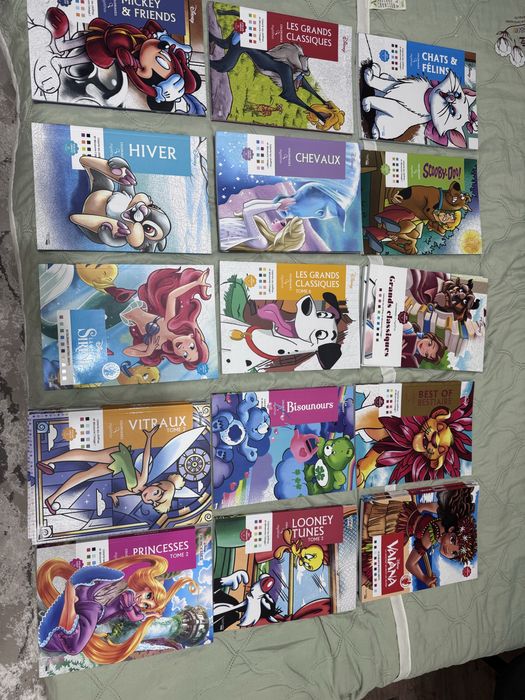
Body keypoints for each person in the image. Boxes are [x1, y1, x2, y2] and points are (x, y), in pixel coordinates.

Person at [37, 554, 196, 662]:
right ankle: (70, 600)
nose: (142, 602)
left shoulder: (131, 602)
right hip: (94, 606)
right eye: (148, 596)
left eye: (146, 605)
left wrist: (148, 615)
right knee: (74, 646)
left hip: (95, 610)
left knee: (75, 645)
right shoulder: (127, 593)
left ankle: (69, 606)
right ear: (146, 586)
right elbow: (131, 615)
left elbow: (135, 616)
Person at [362, 487, 477, 589]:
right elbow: (410, 564)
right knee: (374, 575)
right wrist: (424, 578)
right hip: (398, 526)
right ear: (451, 529)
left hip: (405, 512)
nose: (449, 549)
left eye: (454, 553)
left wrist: (418, 514)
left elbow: (423, 507)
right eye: (453, 540)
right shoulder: (433, 534)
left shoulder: (442, 520)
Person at [121, 267, 211, 371]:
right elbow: (172, 296)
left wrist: (147, 352)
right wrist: (196, 283)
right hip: (129, 302)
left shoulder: (158, 344)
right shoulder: (170, 323)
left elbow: (127, 351)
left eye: (185, 355)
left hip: (122, 317)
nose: (183, 349)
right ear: (191, 336)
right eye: (191, 346)